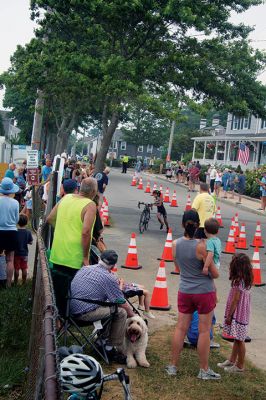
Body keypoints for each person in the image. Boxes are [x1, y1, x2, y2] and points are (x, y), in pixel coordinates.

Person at [165, 210, 220, 379]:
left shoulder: (175, 244)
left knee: (181, 328)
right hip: (204, 291)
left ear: (183, 224)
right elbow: (214, 273)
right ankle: (204, 370)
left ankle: (173, 366)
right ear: (198, 225)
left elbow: (178, 267)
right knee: (204, 331)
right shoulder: (202, 246)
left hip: (185, 290)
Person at [70, 250, 135, 364]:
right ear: (113, 265)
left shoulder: (85, 268)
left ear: (99, 258)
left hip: (68, 310)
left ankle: (101, 341)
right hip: (83, 314)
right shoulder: (109, 278)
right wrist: (133, 315)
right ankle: (111, 348)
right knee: (120, 312)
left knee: (108, 309)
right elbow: (121, 302)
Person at [47, 177, 97, 279]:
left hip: (58, 253)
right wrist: (85, 257)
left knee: (57, 289)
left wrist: (63, 228)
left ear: (80, 187)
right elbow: (86, 232)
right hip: (75, 257)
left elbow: (50, 219)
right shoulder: (90, 205)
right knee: (74, 290)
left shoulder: (66, 197)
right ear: (94, 191)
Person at [218, 253, 252, 373]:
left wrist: (229, 315)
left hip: (237, 313)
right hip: (243, 313)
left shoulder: (238, 281)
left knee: (239, 339)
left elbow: (236, 300)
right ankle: (232, 360)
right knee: (237, 338)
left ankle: (240, 366)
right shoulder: (246, 279)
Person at [0, 177, 20, 287]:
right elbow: (16, 219)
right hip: (11, 232)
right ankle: (8, 283)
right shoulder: (15, 203)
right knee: (10, 259)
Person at [14, 214, 33, 284]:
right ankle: (24, 282)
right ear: (27, 222)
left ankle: (15, 282)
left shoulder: (15, 232)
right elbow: (31, 242)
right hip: (25, 254)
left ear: (17, 222)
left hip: (16, 254)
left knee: (16, 268)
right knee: (24, 268)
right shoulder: (28, 232)